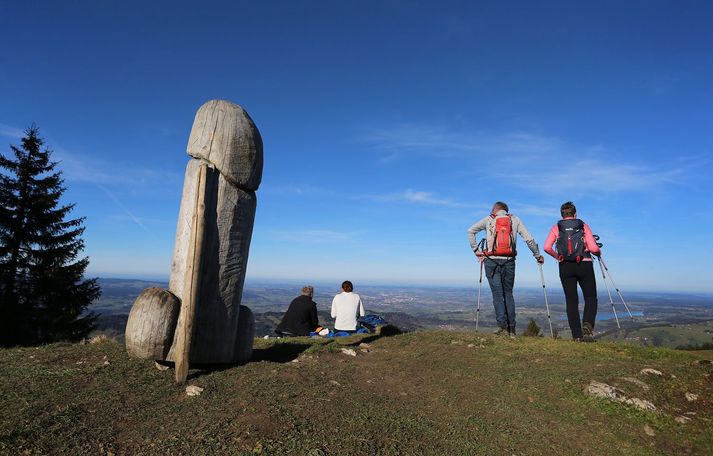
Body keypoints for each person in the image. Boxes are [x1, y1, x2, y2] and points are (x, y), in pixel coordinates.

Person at [467, 201, 544, 336]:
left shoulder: (489, 219)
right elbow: (529, 239)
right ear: (506, 211)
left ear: (495, 210)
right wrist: (537, 255)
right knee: (508, 294)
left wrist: (477, 251)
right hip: (509, 261)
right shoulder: (514, 219)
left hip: (491, 261)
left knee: (497, 295)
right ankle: (512, 329)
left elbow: (470, 231)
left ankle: (502, 328)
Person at [543, 201, 601, 342]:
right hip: (584, 264)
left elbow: (546, 247)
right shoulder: (583, 226)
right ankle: (587, 326)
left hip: (565, 266)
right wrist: (598, 252)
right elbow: (593, 249)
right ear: (575, 214)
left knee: (571, 301)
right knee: (590, 297)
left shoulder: (557, 227)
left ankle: (576, 336)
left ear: (562, 215)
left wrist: (558, 257)